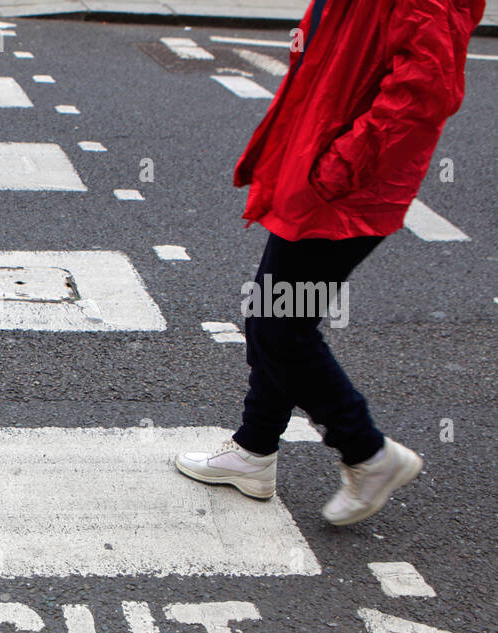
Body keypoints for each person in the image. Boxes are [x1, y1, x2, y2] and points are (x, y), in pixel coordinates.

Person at [175, 0, 487, 525]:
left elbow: (426, 89)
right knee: (277, 317)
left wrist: (338, 166)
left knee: (281, 328)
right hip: (320, 172)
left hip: (346, 187)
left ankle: (367, 453)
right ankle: (254, 448)